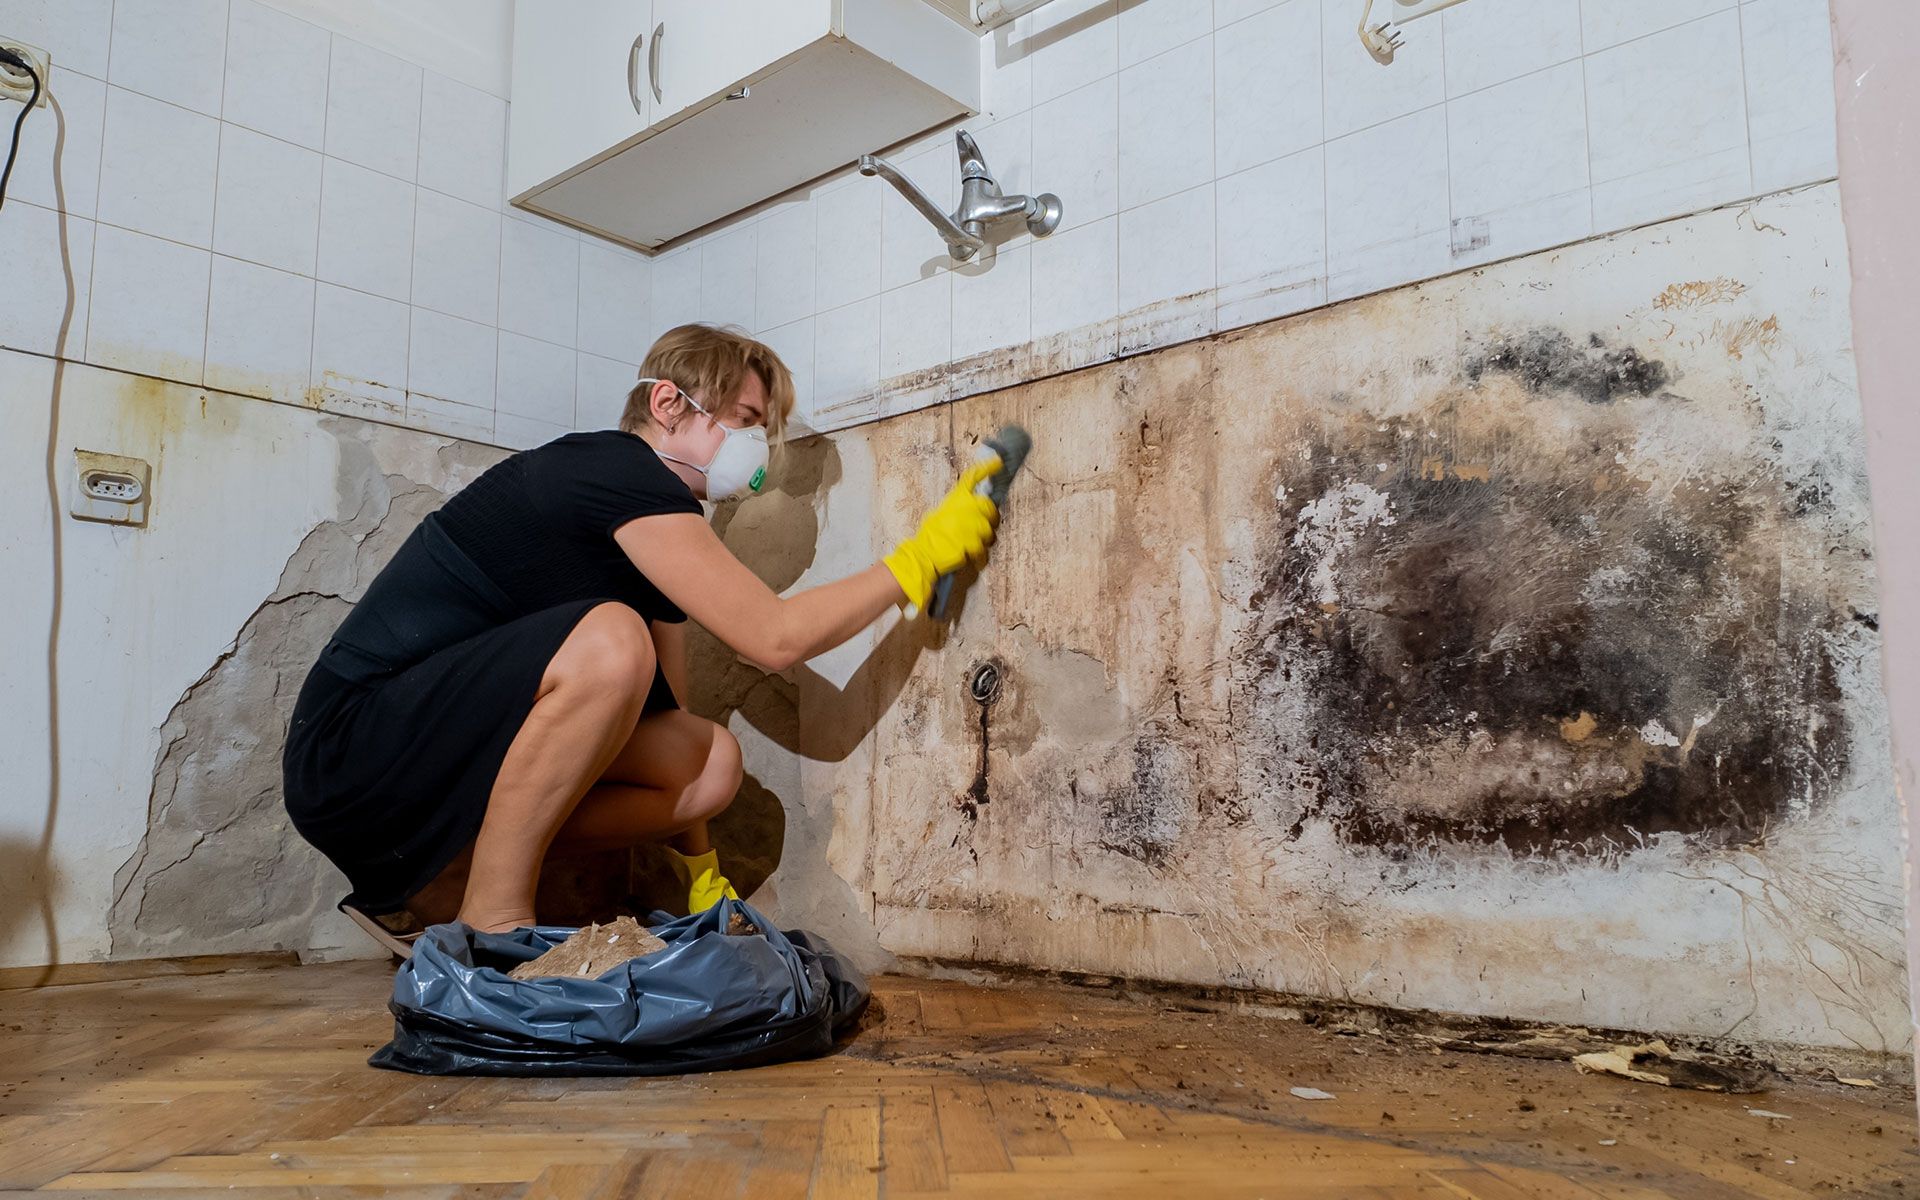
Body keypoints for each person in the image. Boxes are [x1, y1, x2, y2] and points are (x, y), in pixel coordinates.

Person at [281, 323, 1001, 957]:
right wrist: (917, 560)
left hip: (430, 759)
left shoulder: (647, 541)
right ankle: (491, 927)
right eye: (745, 420)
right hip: (350, 752)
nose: (758, 452)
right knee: (613, 642)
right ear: (667, 405)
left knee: (709, 764)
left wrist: (699, 876)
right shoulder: (614, 471)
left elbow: (669, 725)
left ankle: (447, 879)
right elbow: (774, 639)